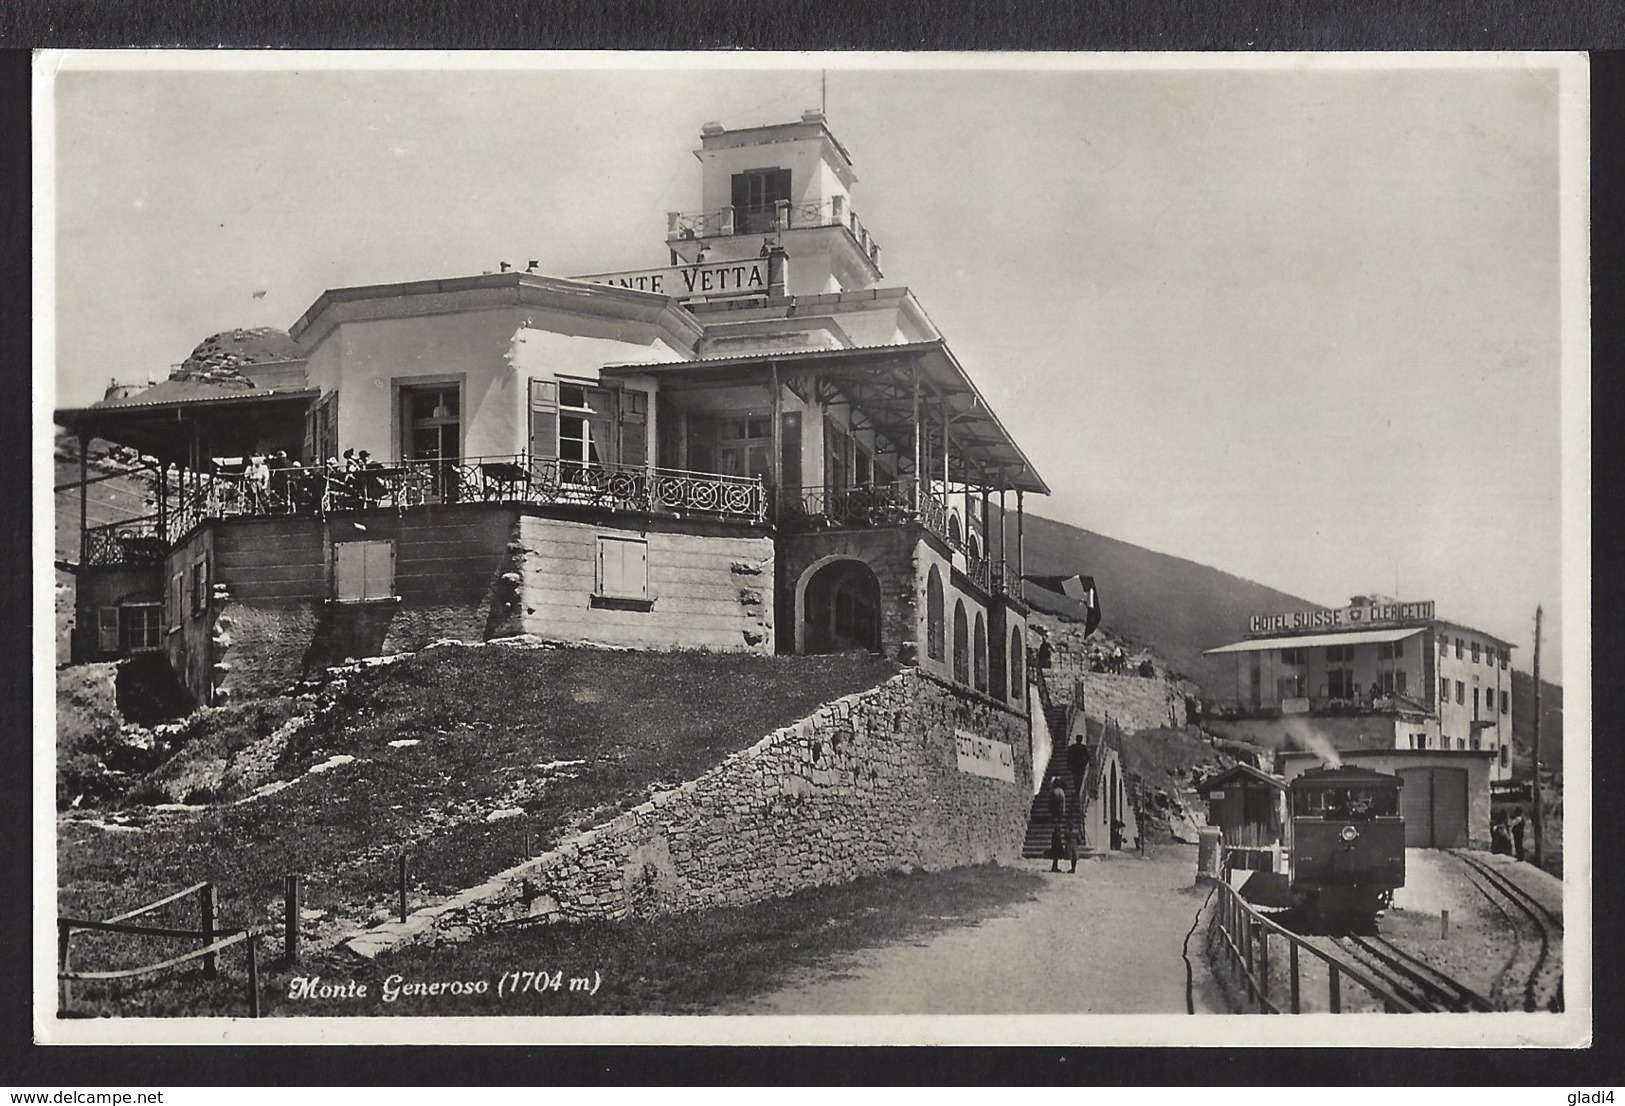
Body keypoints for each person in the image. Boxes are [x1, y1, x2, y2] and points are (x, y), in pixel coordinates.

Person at [1048, 780, 1068, 872]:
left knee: (1054, 842)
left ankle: (1054, 865)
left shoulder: (1052, 792)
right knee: (1057, 841)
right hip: (1058, 818)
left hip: (1053, 817)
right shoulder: (1061, 793)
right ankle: (1055, 865)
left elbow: (1049, 805)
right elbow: (1063, 807)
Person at [1066, 734, 1088, 799]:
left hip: (1075, 766)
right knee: (1079, 779)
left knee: (1075, 779)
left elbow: (1069, 757)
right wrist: (1085, 763)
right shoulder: (1083, 747)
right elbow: (1087, 757)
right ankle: (1078, 792)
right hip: (1080, 766)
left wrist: (1068, 765)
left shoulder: (1073, 747)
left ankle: (1077, 791)